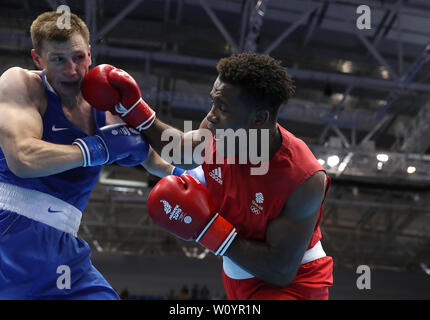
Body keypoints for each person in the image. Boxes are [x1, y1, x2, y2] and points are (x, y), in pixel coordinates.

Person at [82, 53, 334, 299]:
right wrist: (135, 110)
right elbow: (180, 149)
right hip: (238, 276)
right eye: (213, 102)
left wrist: (207, 228)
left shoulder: (303, 178)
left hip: (293, 285)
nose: (211, 115)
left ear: (258, 119)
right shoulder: (218, 128)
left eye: (222, 107)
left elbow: (280, 271)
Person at [0, 11, 151, 299]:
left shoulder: (108, 109)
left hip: (64, 250)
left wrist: (194, 176)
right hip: (8, 230)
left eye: (78, 57)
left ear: (90, 54)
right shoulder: (21, 84)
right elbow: (23, 158)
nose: (72, 70)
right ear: (37, 59)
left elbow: (162, 158)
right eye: (58, 59)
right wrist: (97, 149)